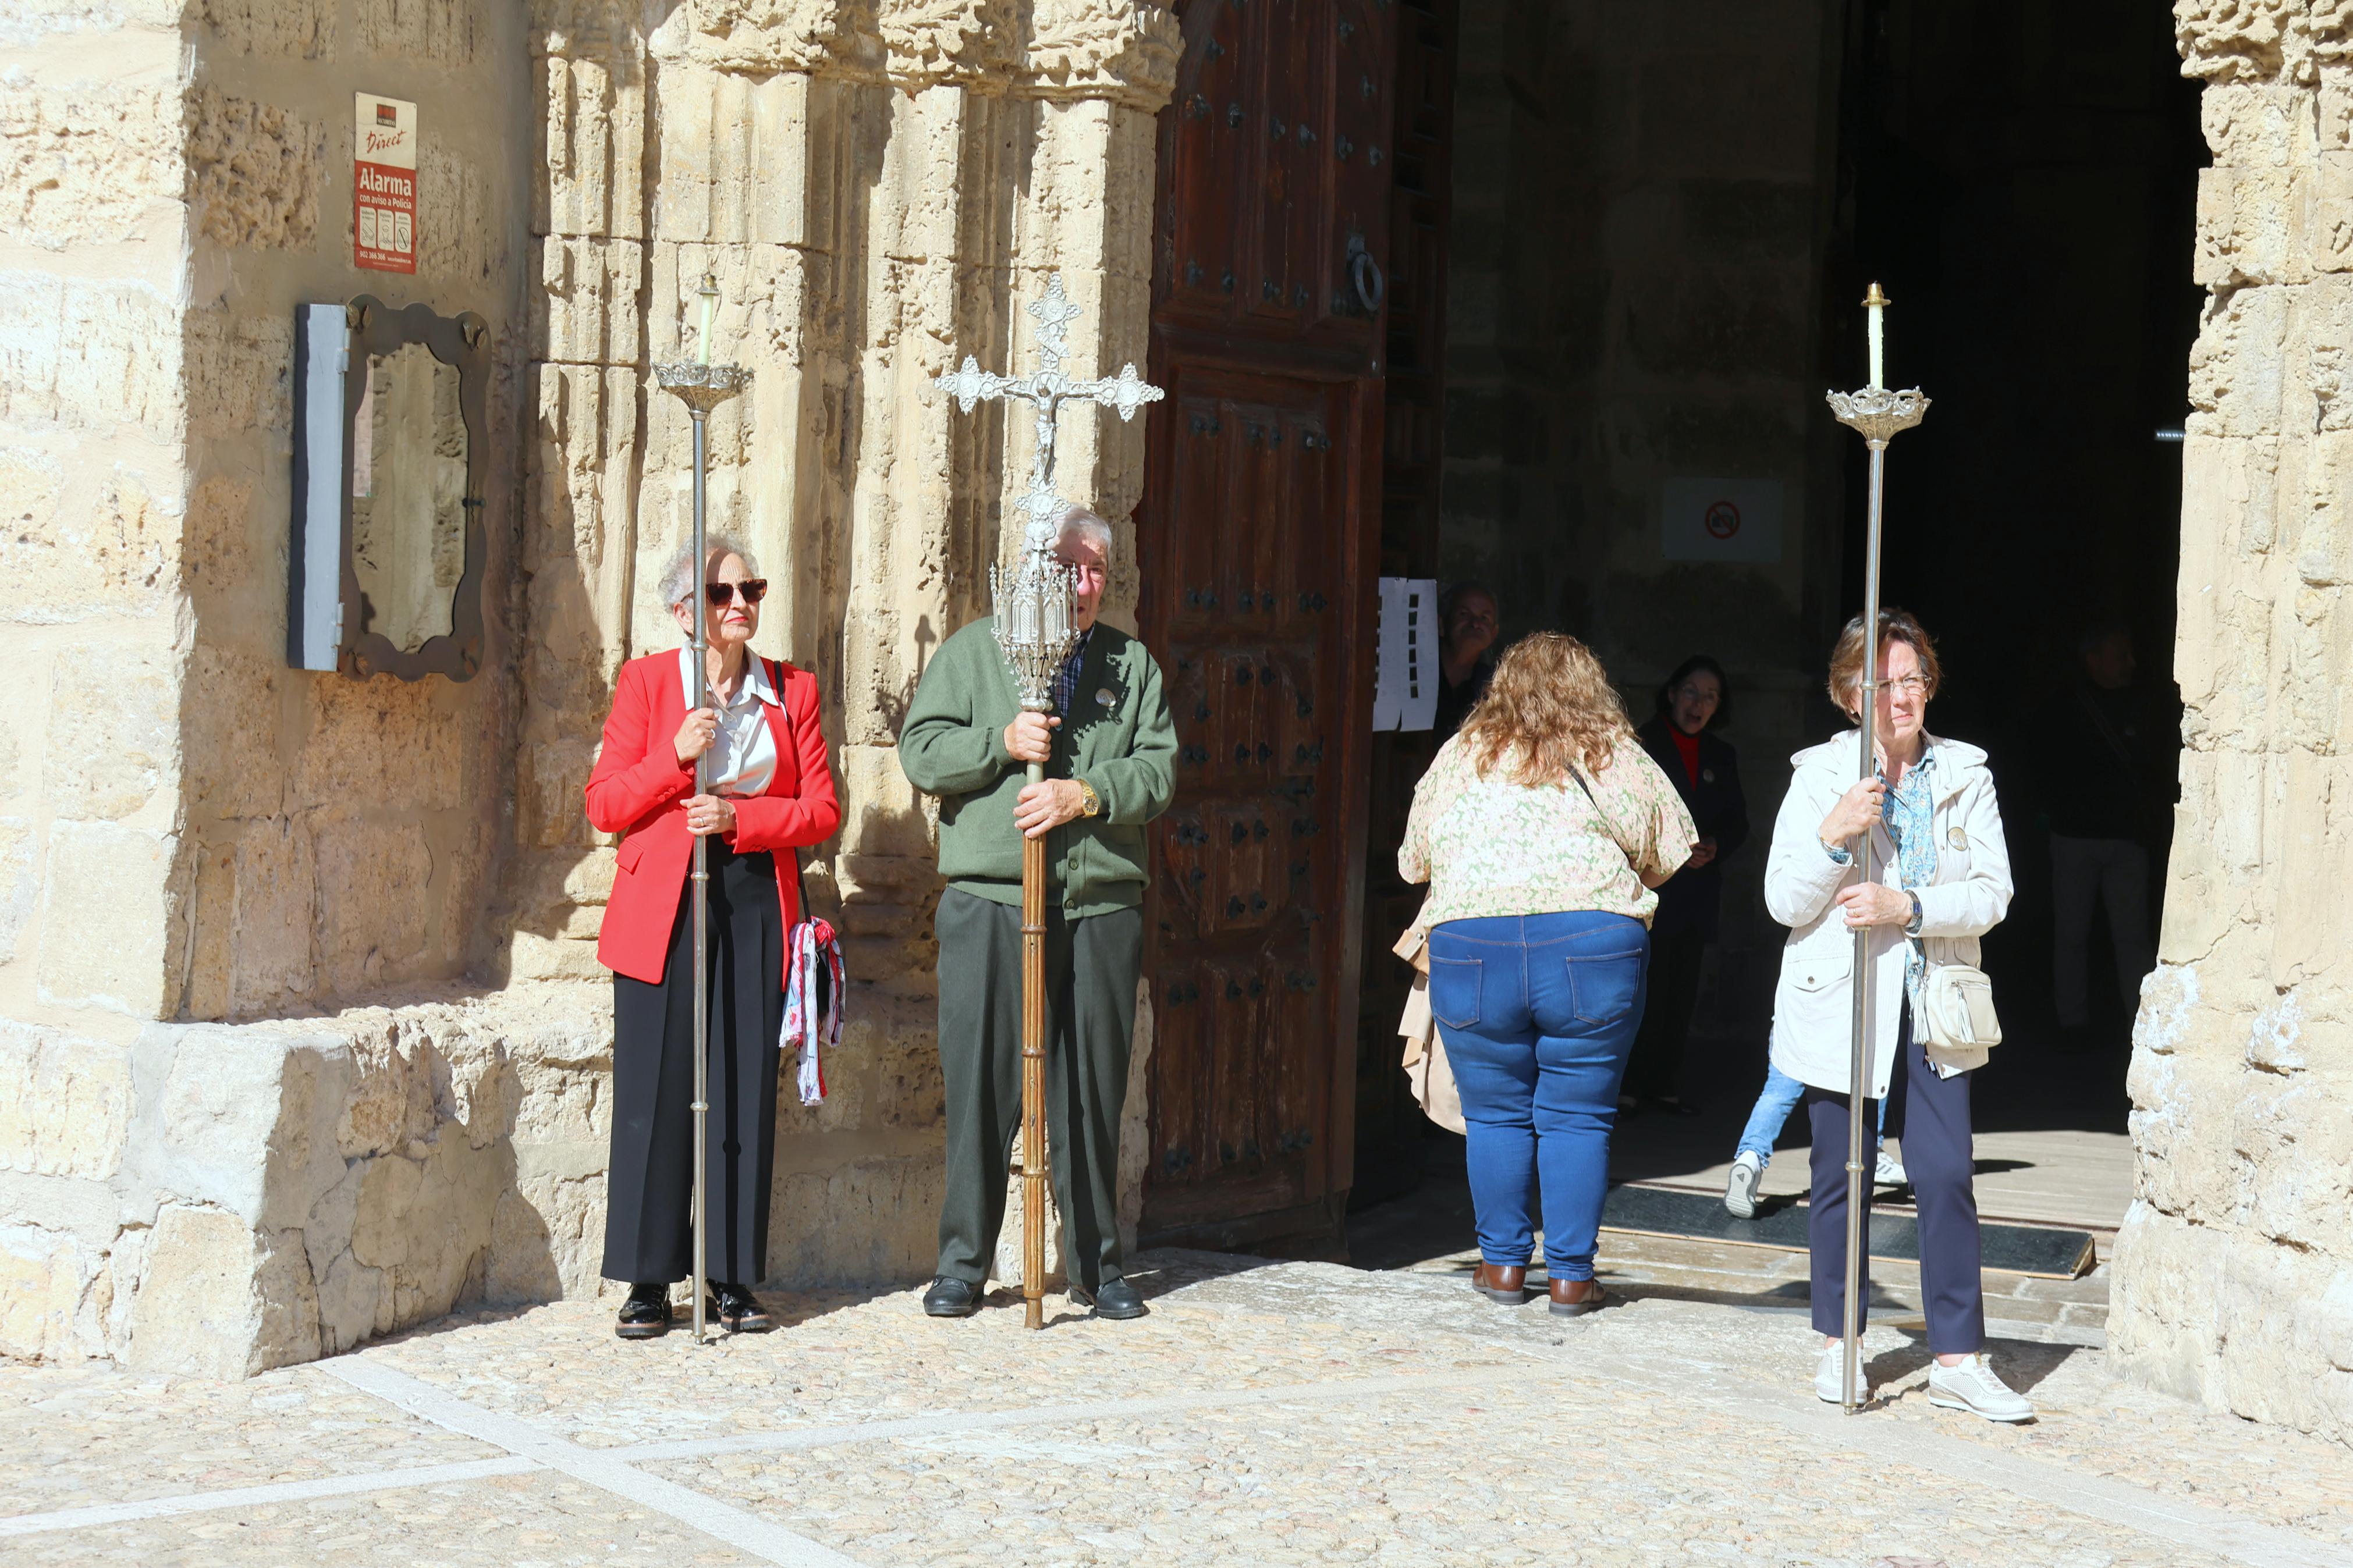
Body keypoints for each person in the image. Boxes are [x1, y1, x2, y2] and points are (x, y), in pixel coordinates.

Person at [899, 507, 1177, 1322]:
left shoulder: (1130, 666)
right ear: (1032, 571)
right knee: (983, 1080)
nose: (1081, 584)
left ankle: (1095, 1262)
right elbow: (922, 752)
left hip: (1095, 903)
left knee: (1089, 1086)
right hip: (992, 899)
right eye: (1066, 568)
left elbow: (1157, 771)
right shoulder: (973, 651)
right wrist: (999, 739)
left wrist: (1083, 792)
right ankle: (961, 1261)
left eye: (1094, 569)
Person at [1763, 608, 2032, 1420]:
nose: (1900, 694)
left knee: (1944, 1171)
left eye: (1912, 677)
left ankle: (1955, 1355)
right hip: (1843, 994)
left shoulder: (1964, 773)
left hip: (1933, 995)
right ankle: (1837, 1344)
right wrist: (1833, 834)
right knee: (1838, 1171)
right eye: (1883, 681)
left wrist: (1906, 905)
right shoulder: (1818, 775)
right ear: (1850, 693)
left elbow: (1993, 893)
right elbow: (1783, 899)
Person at [584, 536, 841, 1340]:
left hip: (754, 891)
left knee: (738, 1085)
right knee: (656, 1089)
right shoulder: (648, 682)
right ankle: (648, 1278)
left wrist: (744, 816)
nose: (740, 605)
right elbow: (605, 802)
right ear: (684, 610)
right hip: (664, 897)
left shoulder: (790, 689)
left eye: (750, 590)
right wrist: (674, 757)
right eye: (721, 592)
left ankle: (730, 1275)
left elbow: (824, 812)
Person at [1401, 633, 1696, 1316]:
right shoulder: (1612, 753)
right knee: (1577, 1118)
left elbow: (1412, 863)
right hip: (1590, 944)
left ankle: (1501, 1267)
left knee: (1494, 1115)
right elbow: (1670, 851)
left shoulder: (1460, 755)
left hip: (1472, 945)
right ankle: (1570, 1277)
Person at [2035, 623, 2171, 1044]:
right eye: (2120, 655)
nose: (2130, 664)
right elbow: (2042, 768)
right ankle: (2070, 1023)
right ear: (2092, 659)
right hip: (2075, 838)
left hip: (2125, 840)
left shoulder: (2144, 705)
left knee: (2132, 939)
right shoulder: (2064, 708)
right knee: (2071, 935)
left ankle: (2140, 1024)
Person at [1624, 656, 1749, 1114]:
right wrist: (1671, 848)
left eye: (1710, 696)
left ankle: (1663, 1081)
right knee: (1644, 990)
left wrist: (1715, 844)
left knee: (1681, 991)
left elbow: (1738, 821)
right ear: (1672, 694)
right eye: (1691, 692)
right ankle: (1630, 1082)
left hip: (1696, 894)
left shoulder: (1722, 754)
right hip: (1652, 889)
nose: (1698, 703)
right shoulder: (1638, 745)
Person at [1432, 581, 1500, 737]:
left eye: (1485, 618)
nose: (1475, 624)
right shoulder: (1416, 673)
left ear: (1494, 633)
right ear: (1442, 625)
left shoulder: (1495, 687)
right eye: (1464, 614)